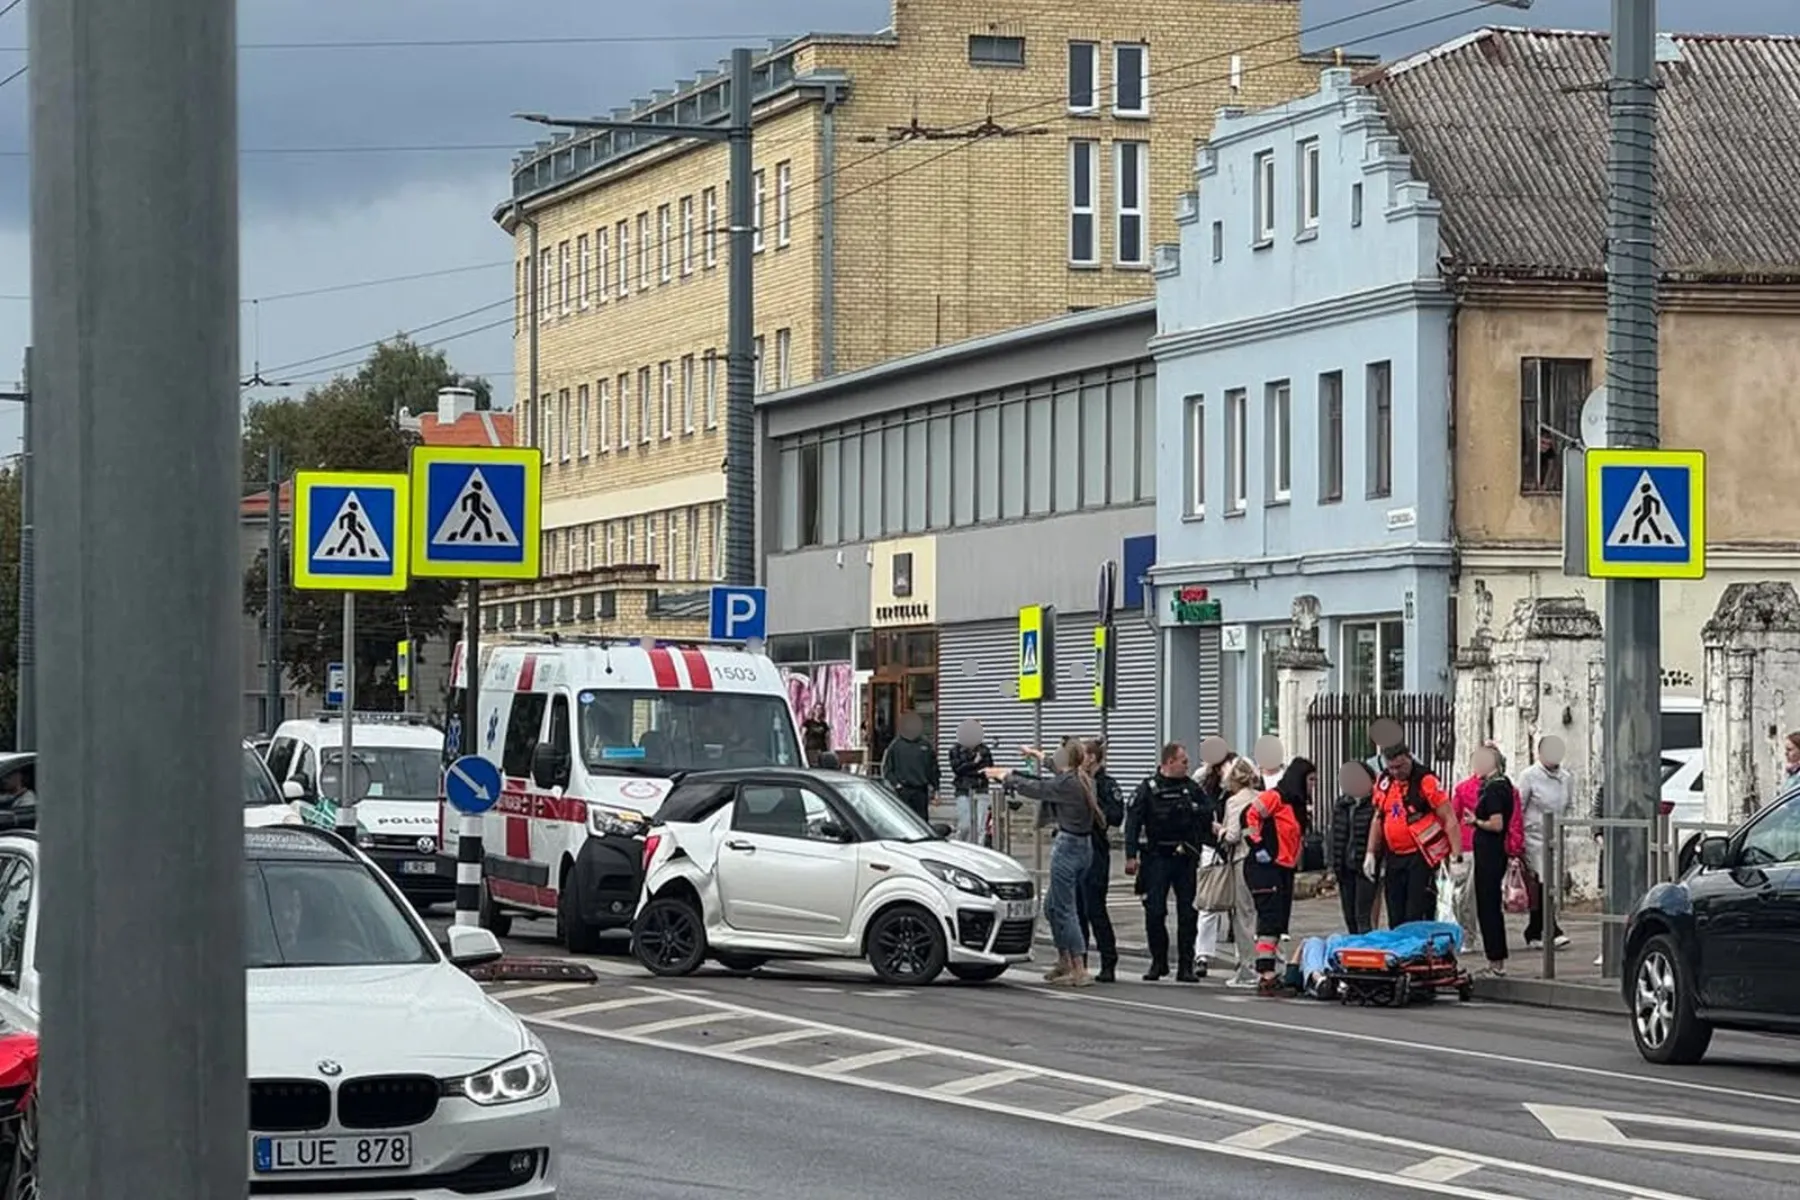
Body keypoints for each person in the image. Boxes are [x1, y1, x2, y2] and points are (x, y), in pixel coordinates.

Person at [986, 742, 1105, 987]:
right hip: (1084, 847)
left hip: (1068, 847)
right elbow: (1054, 768)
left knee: (1065, 909)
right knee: (1052, 907)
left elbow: (1037, 788)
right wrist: (1035, 754)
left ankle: (1079, 968)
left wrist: (1005, 776)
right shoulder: (1082, 778)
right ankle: (1064, 960)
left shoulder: (1067, 784)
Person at [1123, 742, 1210, 982]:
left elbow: (1207, 811)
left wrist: (1193, 812)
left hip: (1184, 857)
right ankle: (1158, 962)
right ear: (1169, 762)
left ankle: (1185, 965)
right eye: (1183, 761)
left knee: (1187, 913)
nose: (1187, 765)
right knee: (1154, 911)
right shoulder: (1148, 789)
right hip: (1156, 857)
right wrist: (1131, 856)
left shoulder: (1191, 788)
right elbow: (1132, 823)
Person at [1366, 744, 1464, 928]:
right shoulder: (1384, 783)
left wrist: (1457, 858)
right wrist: (1370, 852)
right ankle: (1401, 953)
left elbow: (1449, 818)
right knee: (1395, 914)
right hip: (1394, 856)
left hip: (1421, 856)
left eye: (1400, 767)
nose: (1396, 772)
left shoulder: (1425, 781)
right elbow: (1378, 817)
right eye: (1391, 767)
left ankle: (1420, 954)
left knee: (1417, 913)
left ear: (1409, 758)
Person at [1244, 758, 1312, 994]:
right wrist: (1258, 845)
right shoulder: (1275, 798)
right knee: (1270, 919)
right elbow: (1250, 816)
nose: (1313, 785)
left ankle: (1267, 969)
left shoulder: (1295, 804)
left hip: (1282, 868)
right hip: (1266, 868)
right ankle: (1266, 972)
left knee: (1278, 920)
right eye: (1310, 780)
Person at [1213, 756, 1267, 988]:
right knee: (1263, 913)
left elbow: (1234, 835)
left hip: (1242, 859)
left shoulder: (1234, 802)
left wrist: (1220, 830)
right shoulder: (1262, 798)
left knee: (1243, 916)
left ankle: (1248, 967)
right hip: (1264, 860)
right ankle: (1268, 963)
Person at [1517, 737, 1573, 949]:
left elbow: (1569, 805)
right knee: (1541, 883)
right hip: (1534, 837)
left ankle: (1536, 929)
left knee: (1551, 884)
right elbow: (1519, 806)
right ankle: (1550, 928)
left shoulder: (1566, 777)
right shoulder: (1529, 776)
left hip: (1556, 836)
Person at [1078, 739, 1125, 982]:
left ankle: (1108, 961)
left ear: (1092, 758)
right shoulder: (1076, 782)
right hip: (1076, 849)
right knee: (1077, 911)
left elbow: (1117, 816)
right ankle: (1079, 962)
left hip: (1096, 850)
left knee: (1095, 909)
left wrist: (1097, 810)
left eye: (1083, 755)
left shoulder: (1106, 784)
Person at [1466, 744, 1514, 975]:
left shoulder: (1494, 789)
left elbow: (1497, 824)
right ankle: (1495, 959)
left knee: (1488, 907)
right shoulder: (1502, 785)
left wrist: (1475, 821)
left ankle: (1495, 961)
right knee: (1489, 906)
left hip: (1490, 854)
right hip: (1492, 853)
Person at [1191, 744, 1236, 976]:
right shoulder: (1206, 789)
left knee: (1240, 906)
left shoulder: (1239, 791)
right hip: (1213, 849)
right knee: (1209, 904)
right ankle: (1202, 954)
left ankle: (1242, 954)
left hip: (1235, 850)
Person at [1330, 761, 1379, 934]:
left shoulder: (1375, 805)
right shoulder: (1342, 804)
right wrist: (1334, 863)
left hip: (1365, 866)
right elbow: (1335, 835)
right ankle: (1354, 948)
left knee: (1362, 915)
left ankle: (1364, 950)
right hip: (1344, 866)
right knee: (1349, 915)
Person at [880, 711, 939, 821]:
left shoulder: (925, 745)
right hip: (904, 790)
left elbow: (933, 768)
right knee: (904, 820)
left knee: (922, 821)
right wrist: (896, 785)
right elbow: (887, 769)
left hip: (921, 790)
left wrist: (936, 789)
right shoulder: (895, 745)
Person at [947, 720, 995, 845]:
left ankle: (980, 851)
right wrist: (974, 763)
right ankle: (960, 847)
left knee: (980, 826)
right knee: (965, 825)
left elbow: (987, 769)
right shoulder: (955, 750)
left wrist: (970, 768)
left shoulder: (984, 750)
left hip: (981, 788)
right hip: (963, 789)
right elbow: (957, 769)